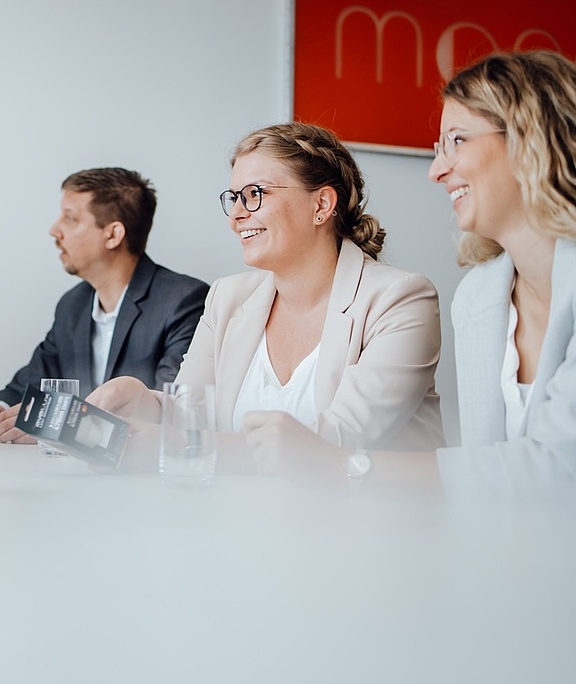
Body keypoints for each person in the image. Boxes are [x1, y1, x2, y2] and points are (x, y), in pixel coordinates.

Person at [243, 50, 576, 495]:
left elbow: (558, 465)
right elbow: (490, 476)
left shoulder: (404, 297)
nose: (438, 171)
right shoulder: (480, 296)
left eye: (457, 140)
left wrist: (345, 466)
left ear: (531, 138)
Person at [88, 122, 444, 467]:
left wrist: (181, 445)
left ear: (321, 205)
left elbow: (340, 441)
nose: (236, 216)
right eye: (234, 198)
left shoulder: (400, 299)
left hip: (372, 521)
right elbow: (191, 414)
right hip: (245, 520)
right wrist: (144, 402)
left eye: (255, 194)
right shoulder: (226, 297)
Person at [0, 167, 210, 444]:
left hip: (144, 477)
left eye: (70, 218)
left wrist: (55, 425)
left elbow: (170, 410)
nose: (54, 230)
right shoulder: (72, 305)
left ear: (113, 235)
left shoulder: (185, 300)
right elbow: (25, 388)